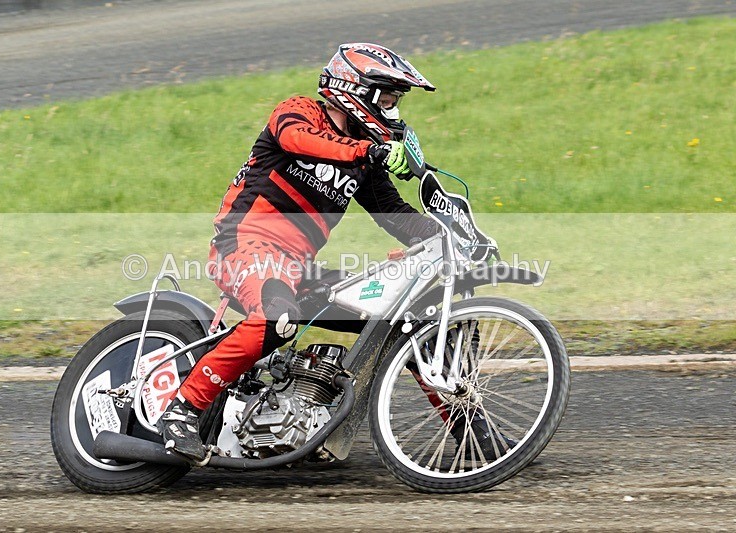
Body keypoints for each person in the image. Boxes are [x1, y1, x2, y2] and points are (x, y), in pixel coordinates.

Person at [158, 43, 513, 462]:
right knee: (278, 317)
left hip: (296, 266)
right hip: (243, 244)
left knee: (406, 324)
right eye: (386, 98)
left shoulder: (363, 161)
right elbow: (300, 139)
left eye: (395, 102)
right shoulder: (298, 112)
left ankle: (478, 436)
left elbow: (393, 214)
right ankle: (181, 411)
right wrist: (370, 150)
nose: (392, 111)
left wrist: (451, 235)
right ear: (354, 89)